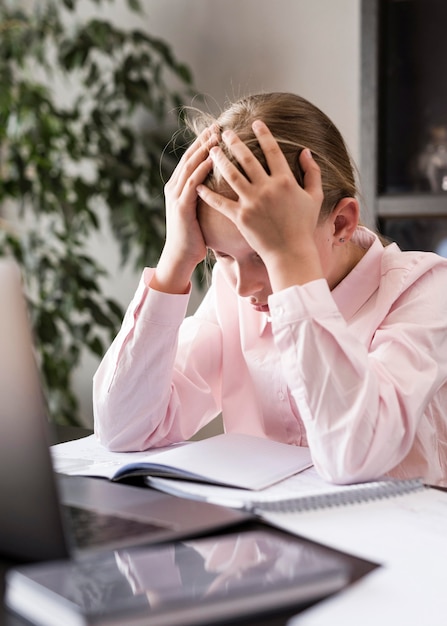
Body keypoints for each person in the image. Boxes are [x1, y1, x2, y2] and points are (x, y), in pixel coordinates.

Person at [93, 92, 447, 486]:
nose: (243, 286)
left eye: (262, 255)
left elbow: (354, 456)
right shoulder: (235, 293)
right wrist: (174, 262)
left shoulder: (425, 291)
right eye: (222, 255)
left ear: (341, 224)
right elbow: (124, 429)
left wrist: (290, 266)